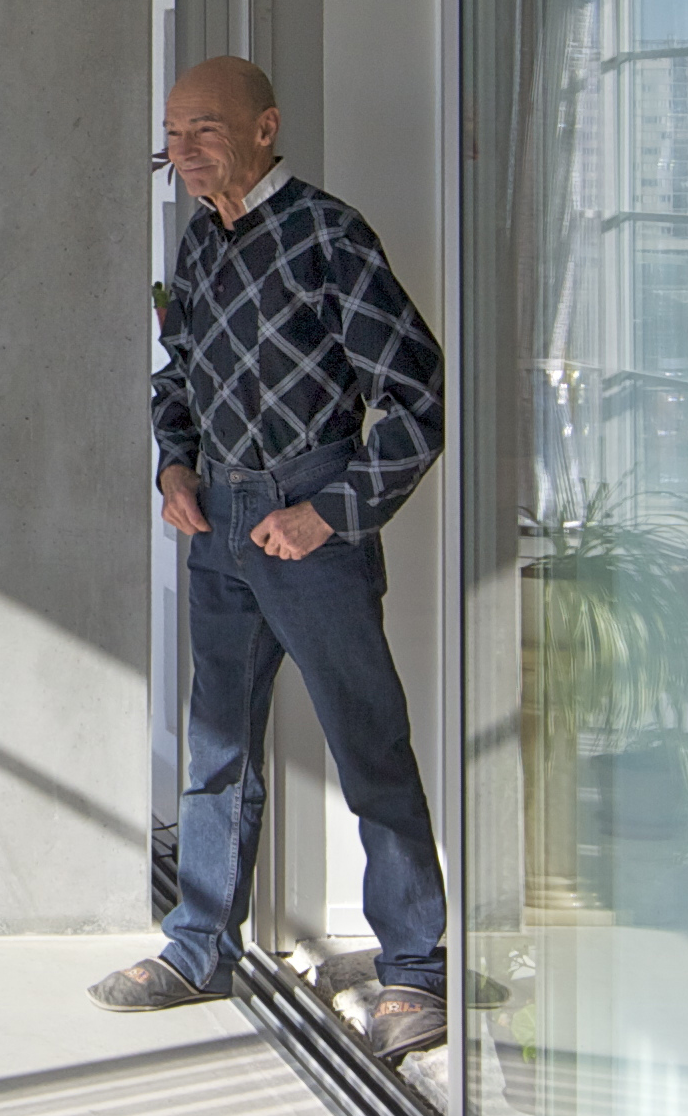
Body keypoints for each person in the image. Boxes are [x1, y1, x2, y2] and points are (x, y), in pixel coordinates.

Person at [96, 56, 455, 1060]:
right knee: (216, 745)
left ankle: (416, 974)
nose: (186, 147)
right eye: (173, 132)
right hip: (217, 523)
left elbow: (417, 402)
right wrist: (175, 468)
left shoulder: (330, 236)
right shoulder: (199, 247)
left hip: (308, 524)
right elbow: (176, 377)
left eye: (206, 126)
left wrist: (329, 513)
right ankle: (199, 944)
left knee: (369, 747)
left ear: (266, 127)